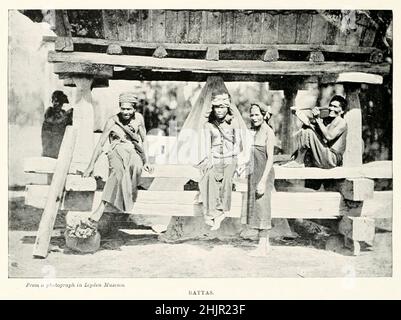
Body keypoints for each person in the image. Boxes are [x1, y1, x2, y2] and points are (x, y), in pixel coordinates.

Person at [82, 92, 153, 230]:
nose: (125, 112)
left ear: (134, 109)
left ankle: (126, 202)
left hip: (132, 150)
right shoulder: (112, 121)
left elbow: (144, 140)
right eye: (123, 108)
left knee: (136, 167)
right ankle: (100, 210)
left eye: (129, 109)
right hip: (116, 151)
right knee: (117, 173)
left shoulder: (139, 119)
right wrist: (91, 165)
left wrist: (147, 161)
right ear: (119, 107)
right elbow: (100, 144)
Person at [198, 92, 242, 231]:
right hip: (215, 156)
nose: (219, 110)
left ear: (227, 108)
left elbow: (238, 144)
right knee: (208, 177)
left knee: (227, 178)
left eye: (222, 107)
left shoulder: (234, 122)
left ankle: (221, 210)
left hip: (230, 157)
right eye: (217, 107)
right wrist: (210, 159)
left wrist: (229, 155)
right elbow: (207, 146)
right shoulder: (208, 125)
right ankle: (213, 213)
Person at [239, 102, 275, 256]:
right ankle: (265, 245)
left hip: (264, 174)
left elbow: (270, 158)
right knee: (257, 208)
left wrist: (263, 180)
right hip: (254, 173)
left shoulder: (268, 132)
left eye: (257, 114)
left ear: (264, 114)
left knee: (263, 208)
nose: (254, 117)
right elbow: (251, 154)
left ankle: (262, 246)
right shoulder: (254, 131)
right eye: (252, 115)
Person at [283, 95, 348, 169]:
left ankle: (299, 162)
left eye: (335, 107)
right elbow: (310, 125)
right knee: (305, 129)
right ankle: (298, 160)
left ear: (342, 111)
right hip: (323, 154)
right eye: (330, 106)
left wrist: (317, 119)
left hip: (332, 159)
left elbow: (329, 137)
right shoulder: (327, 120)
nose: (331, 109)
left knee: (308, 132)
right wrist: (298, 113)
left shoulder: (342, 122)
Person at [41, 90, 72, 158]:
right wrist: (65, 116)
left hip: (59, 143)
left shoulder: (63, 113)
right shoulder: (50, 111)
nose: (55, 103)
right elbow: (52, 121)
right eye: (54, 101)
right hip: (49, 144)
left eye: (58, 102)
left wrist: (69, 116)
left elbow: (69, 126)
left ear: (61, 103)